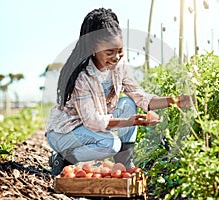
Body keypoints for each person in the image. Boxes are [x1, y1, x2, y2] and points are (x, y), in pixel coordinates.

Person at [45, 7, 193, 176]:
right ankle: (63, 158)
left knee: (128, 103)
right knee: (110, 144)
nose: (116, 57)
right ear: (94, 48)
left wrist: (175, 100)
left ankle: (123, 163)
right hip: (66, 133)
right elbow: (92, 122)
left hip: (90, 128)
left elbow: (141, 97)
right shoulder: (82, 77)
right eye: (110, 52)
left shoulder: (119, 67)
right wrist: (129, 122)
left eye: (120, 51)